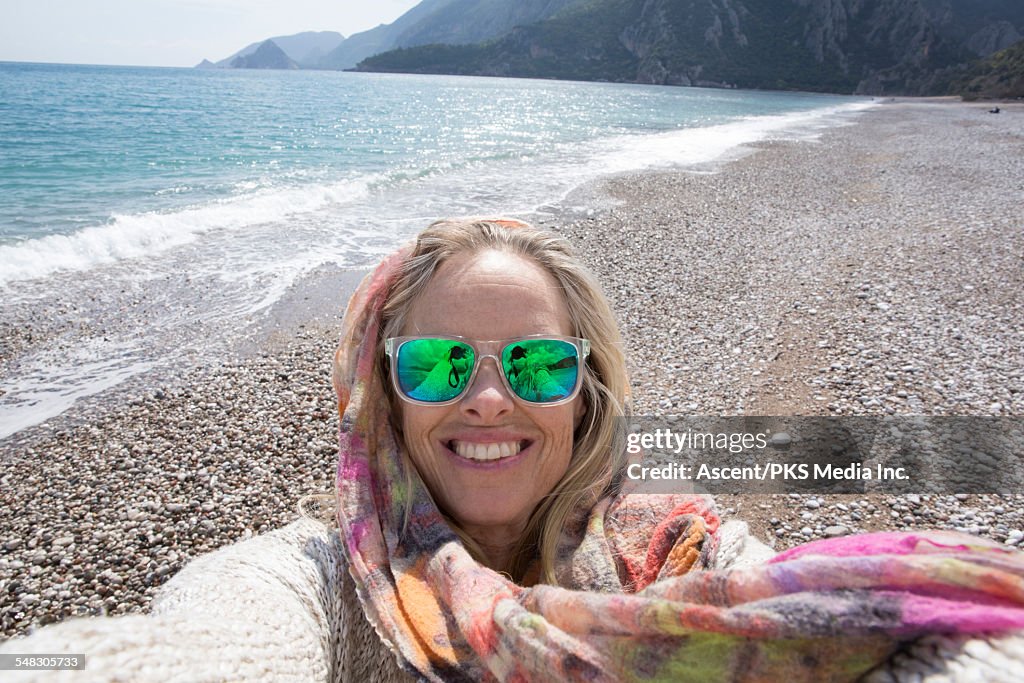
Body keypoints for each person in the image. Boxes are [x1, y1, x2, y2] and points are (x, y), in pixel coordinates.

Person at [3, 217, 1024, 682]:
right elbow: (199, 649)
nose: (487, 394)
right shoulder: (319, 586)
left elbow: (839, 622)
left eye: (534, 363)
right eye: (439, 362)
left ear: (585, 393)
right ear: (383, 399)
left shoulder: (673, 554)